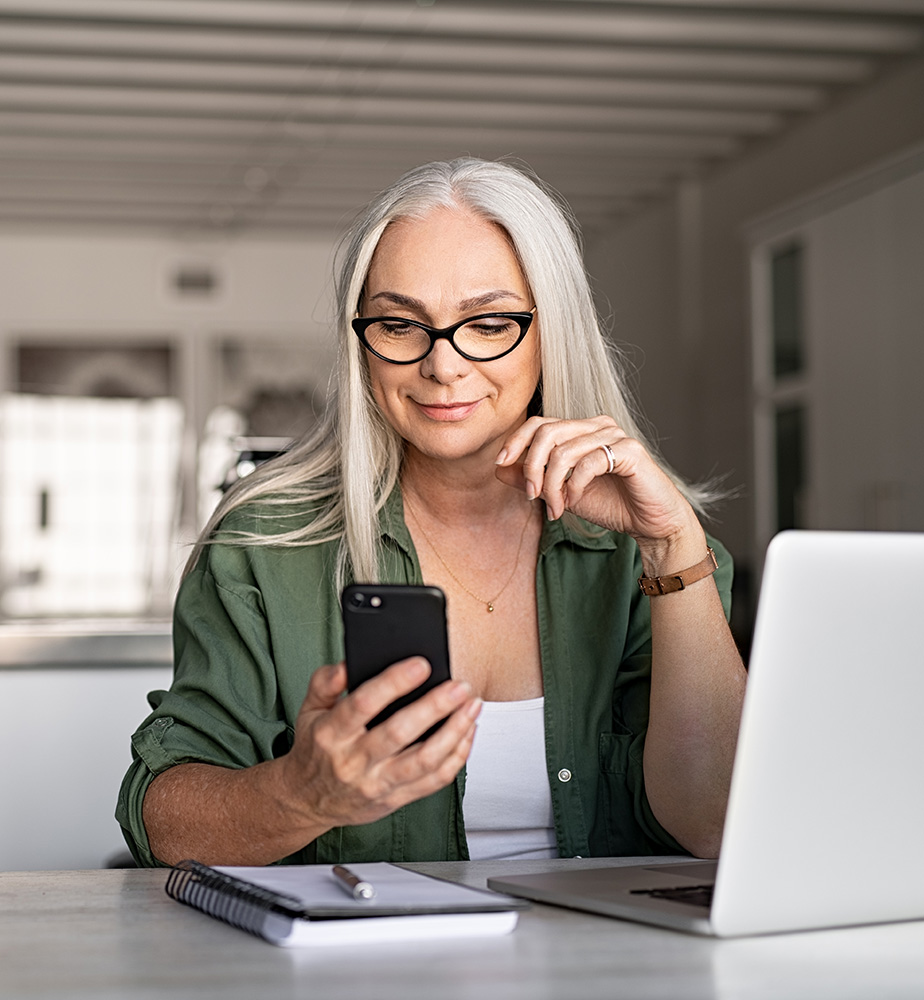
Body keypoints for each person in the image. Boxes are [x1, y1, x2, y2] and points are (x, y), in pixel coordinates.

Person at [117, 157, 747, 868]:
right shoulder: (264, 543)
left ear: (551, 331)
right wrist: (302, 795)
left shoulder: (654, 553)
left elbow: (717, 825)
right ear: (362, 345)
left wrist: (672, 548)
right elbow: (162, 822)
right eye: (399, 325)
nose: (442, 366)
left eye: (487, 324)